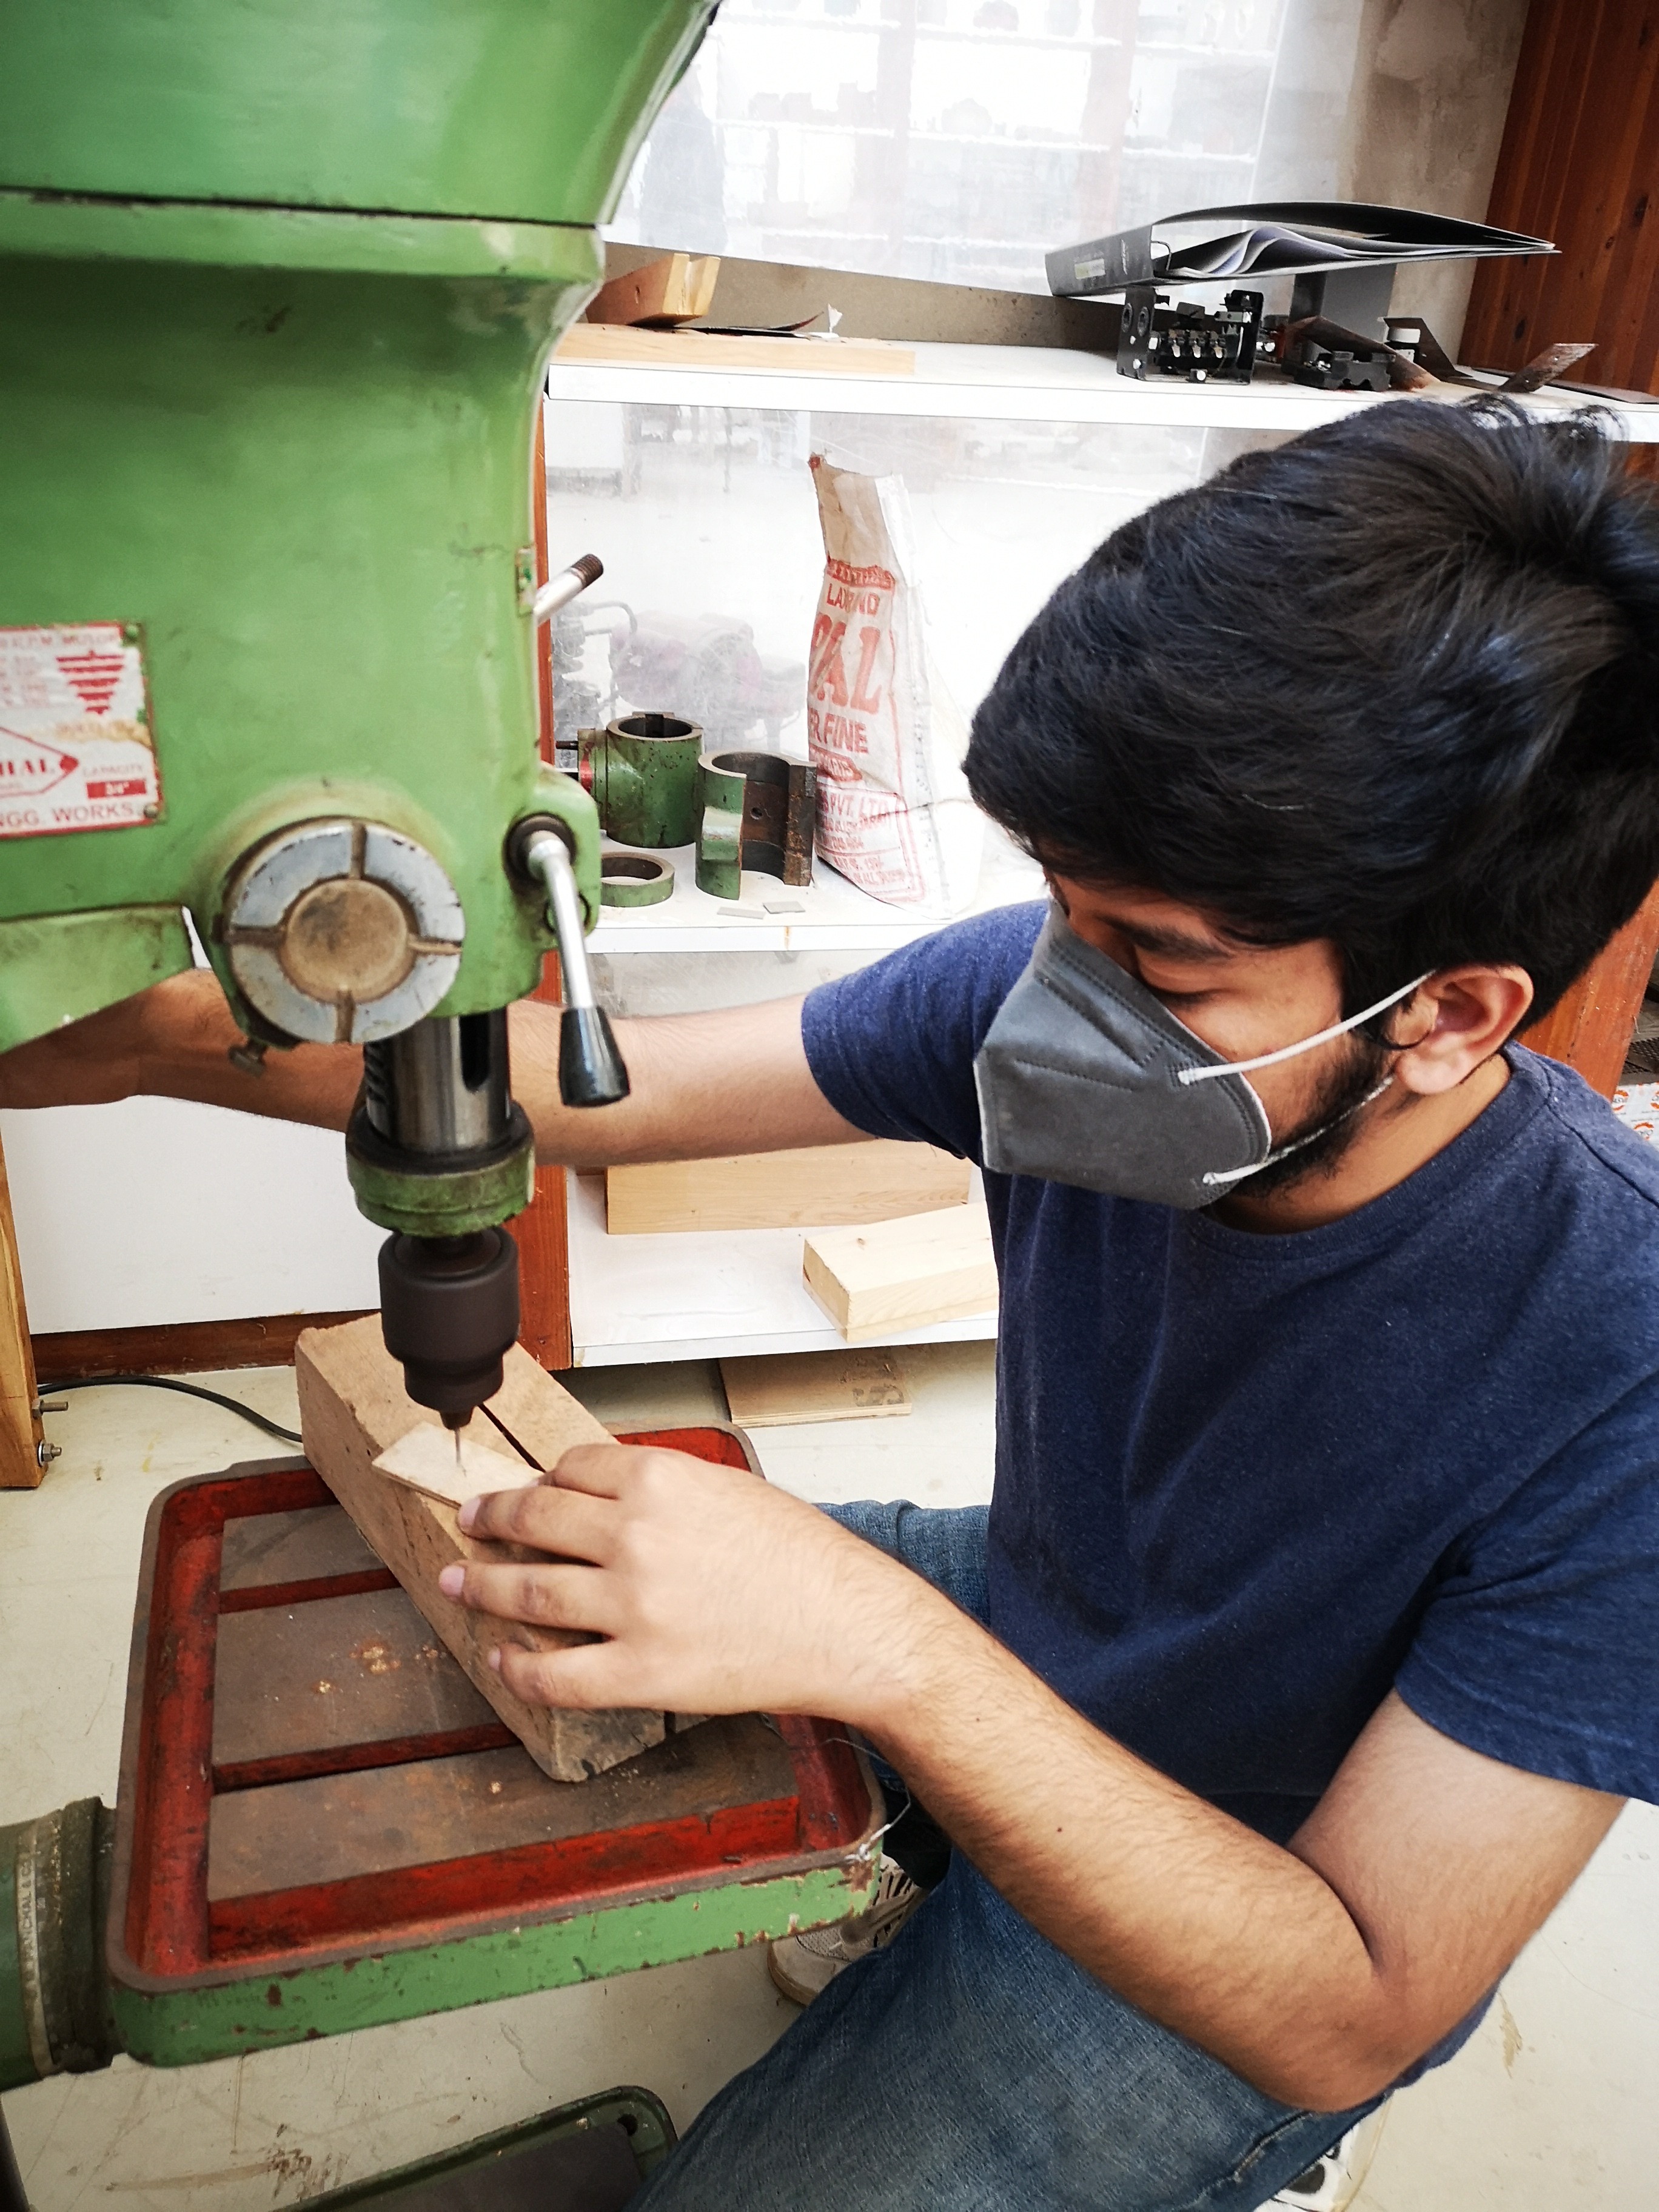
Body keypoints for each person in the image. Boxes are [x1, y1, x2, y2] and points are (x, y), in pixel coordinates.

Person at [5, 400, 1659, 2211]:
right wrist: (161, 1042)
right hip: (1037, 1610)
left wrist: (888, 1654)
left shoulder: (1618, 1353)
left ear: (1447, 1017)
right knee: (537, 1573)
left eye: (1163, 958)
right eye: (1055, 905)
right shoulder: (1055, 994)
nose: (1054, 996)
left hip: (1260, 1886)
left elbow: (1355, 2001)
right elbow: (594, 1089)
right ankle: (927, 1830)